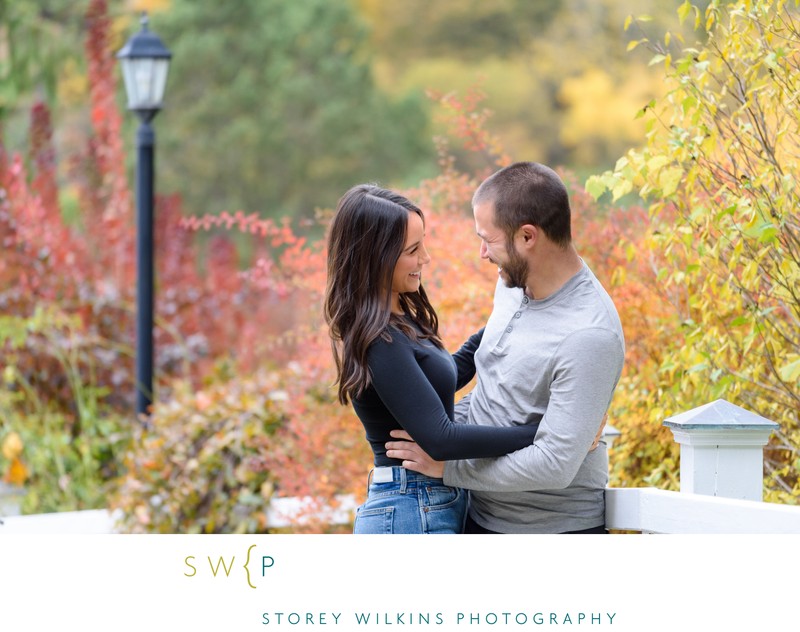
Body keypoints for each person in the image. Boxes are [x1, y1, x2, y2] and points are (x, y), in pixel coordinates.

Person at [385, 162, 625, 534]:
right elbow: (495, 394)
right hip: (475, 517)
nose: (482, 252)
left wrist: (449, 468)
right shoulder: (512, 287)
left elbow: (555, 463)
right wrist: (433, 430)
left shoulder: (588, 334)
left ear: (528, 237)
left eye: (489, 239)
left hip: (549, 533)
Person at [324, 184, 540, 534]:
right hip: (409, 506)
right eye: (412, 250)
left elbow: (448, 375)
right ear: (375, 257)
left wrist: (513, 318)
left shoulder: (398, 321)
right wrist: (542, 433)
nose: (425, 258)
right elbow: (441, 439)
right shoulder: (381, 339)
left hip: (426, 501)